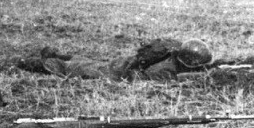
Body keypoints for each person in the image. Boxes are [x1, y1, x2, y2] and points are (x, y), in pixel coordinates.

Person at [12, 39, 214, 81]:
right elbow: (140, 82)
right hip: (114, 72)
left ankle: (55, 55)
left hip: (119, 64)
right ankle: (21, 62)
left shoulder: (172, 54)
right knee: (68, 68)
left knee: (84, 61)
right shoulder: (165, 71)